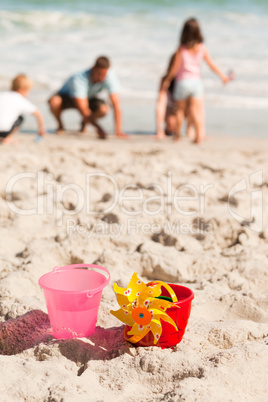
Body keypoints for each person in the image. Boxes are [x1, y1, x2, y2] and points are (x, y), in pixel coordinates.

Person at [163, 18, 231, 143]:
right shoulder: (202, 48)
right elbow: (212, 65)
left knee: (180, 110)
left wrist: (167, 80)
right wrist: (222, 76)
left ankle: (177, 136)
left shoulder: (182, 48)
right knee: (197, 111)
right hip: (196, 83)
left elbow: (175, 68)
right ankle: (198, 136)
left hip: (182, 82)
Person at [48, 56, 127, 139]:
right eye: (99, 74)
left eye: (104, 75)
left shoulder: (109, 75)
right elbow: (83, 109)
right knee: (54, 102)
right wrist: (99, 129)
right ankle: (60, 126)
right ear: (93, 68)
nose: (101, 78)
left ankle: (84, 123)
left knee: (103, 109)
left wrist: (118, 131)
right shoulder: (79, 78)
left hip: (88, 97)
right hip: (67, 97)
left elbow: (116, 104)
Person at [156, 53, 193, 139]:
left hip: (184, 109)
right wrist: (159, 129)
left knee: (192, 105)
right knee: (171, 126)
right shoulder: (166, 80)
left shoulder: (187, 80)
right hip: (171, 109)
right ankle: (164, 130)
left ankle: (190, 129)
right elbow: (160, 104)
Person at [0, 74, 45, 144]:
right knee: (20, 118)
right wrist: (41, 129)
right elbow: (38, 113)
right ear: (22, 89)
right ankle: (7, 138)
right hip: (3, 132)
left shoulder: (2, 94)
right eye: (28, 91)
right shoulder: (19, 98)